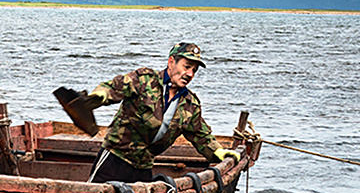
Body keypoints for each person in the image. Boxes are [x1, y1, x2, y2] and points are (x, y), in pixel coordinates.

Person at [53, 42, 240, 184]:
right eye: (186, 66)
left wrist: (219, 152)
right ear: (171, 62)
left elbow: (202, 136)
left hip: (143, 168)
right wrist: (98, 96)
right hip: (114, 160)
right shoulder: (144, 80)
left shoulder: (190, 104)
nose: (189, 74)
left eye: (194, 70)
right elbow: (113, 87)